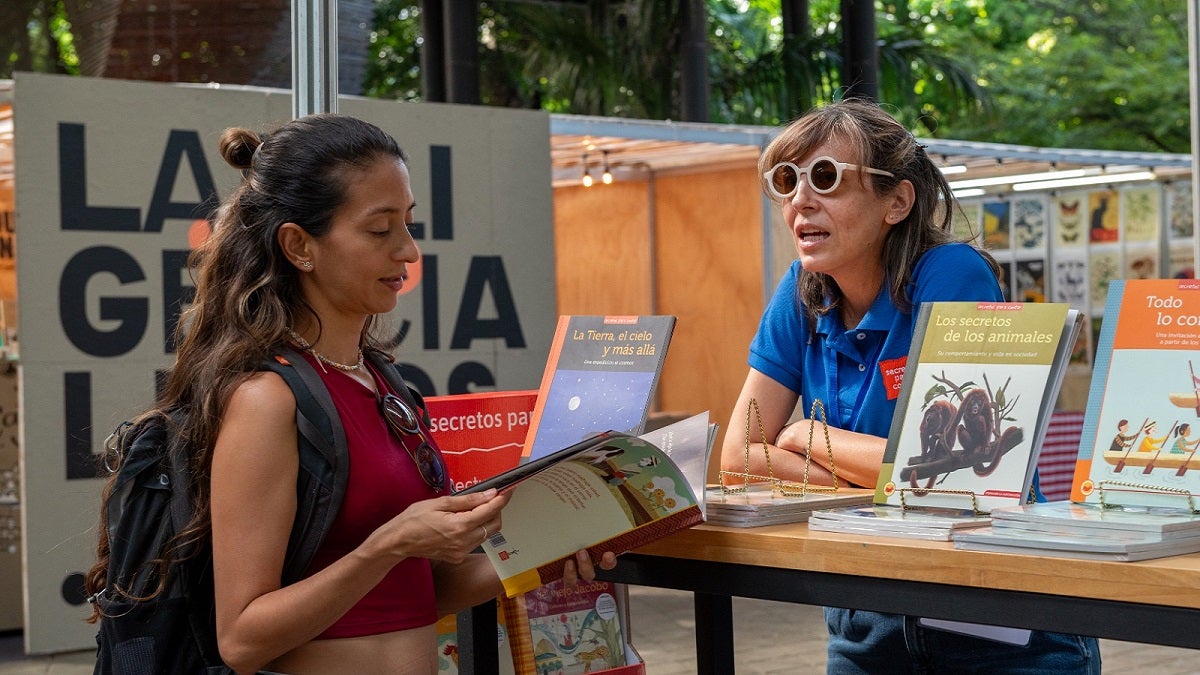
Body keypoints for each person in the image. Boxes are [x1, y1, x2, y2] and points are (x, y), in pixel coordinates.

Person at [86, 113, 613, 674]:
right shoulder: (268, 399)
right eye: (380, 230)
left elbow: (409, 599)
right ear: (298, 245)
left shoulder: (384, 382)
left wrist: (551, 553)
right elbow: (242, 637)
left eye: (409, 224)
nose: (408, 252)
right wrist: (387, 545)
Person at [720, 99, 1100, 673]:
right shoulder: (803, 288)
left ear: (896, 201)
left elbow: (966, 476)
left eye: (825, 177)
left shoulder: (951, 273)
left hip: (994, 616)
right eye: (786, 180)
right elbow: (738, 459)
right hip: (866, 620)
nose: (800, 199)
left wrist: (804, 435)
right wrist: (896, 476)